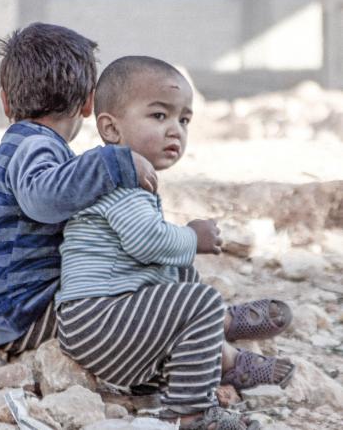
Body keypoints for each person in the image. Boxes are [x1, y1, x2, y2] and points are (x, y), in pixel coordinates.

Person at [56, 56, 294, 429]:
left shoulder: (130, 178)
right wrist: (191, 236)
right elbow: (147, 242)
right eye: (159, 116)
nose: (176, 131)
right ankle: (192, 412)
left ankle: (215, 343)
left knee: (180, 275)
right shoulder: (115, 176)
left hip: (118, 322)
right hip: (97, 320)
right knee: (198, 297)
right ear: (111, 128)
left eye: (184, 120)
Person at [0, 23, 158, 354]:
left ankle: (212, 330)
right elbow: (44, 200)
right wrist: (113, 163)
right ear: (88, 103)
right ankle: (218, 343)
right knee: (138, 307)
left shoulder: (16, 149)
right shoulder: (36, 146)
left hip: (7, 314)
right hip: (24, 317)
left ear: (5, 102)